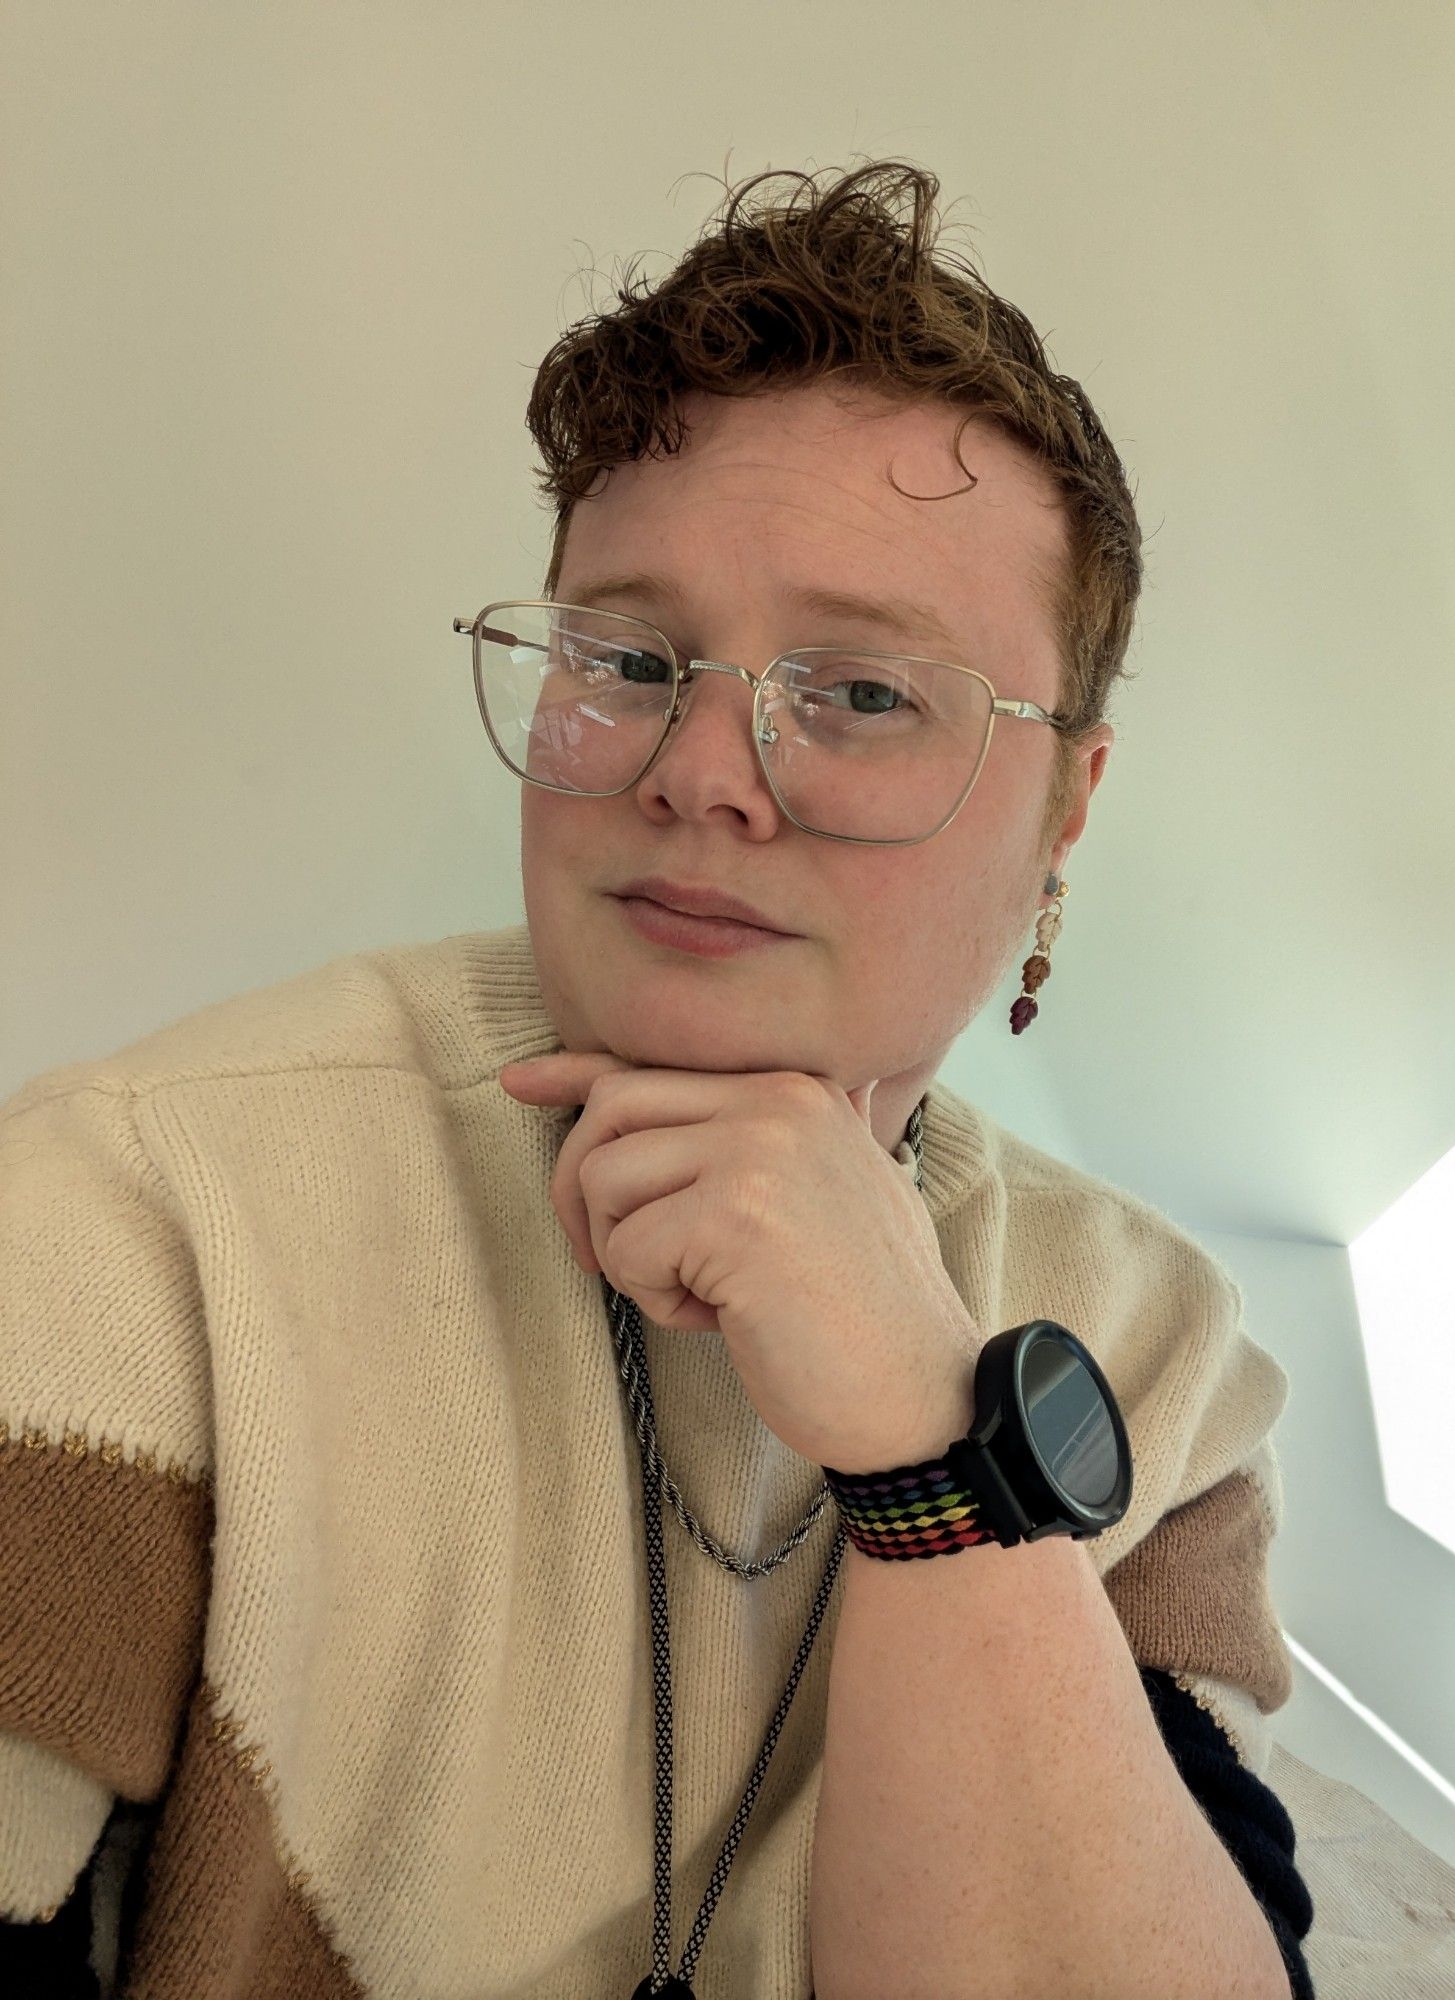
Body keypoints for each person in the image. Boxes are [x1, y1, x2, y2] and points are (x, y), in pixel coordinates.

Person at [0, 159, 1315, 1997]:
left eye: (859, 692)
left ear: (1062, 809)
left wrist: (938, 1461)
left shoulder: (1153, 1354)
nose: (701, 768)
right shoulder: (128, 1234)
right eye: (630, 657)